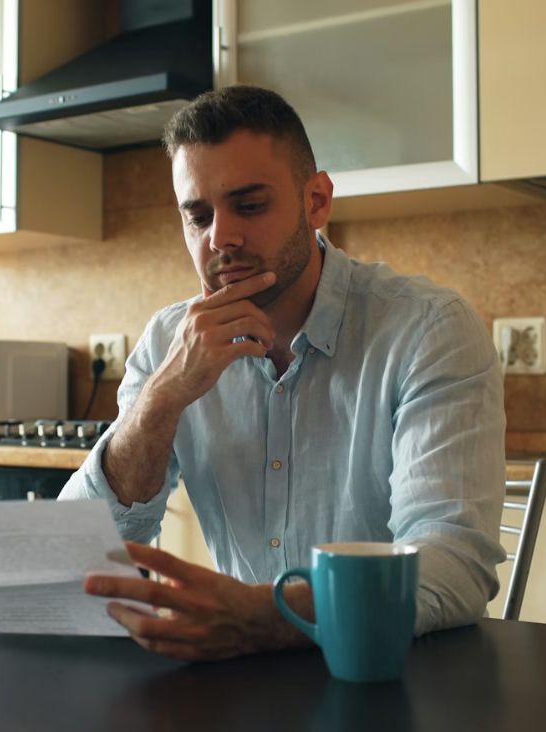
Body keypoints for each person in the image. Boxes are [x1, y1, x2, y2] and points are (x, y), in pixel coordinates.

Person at [58, 85, 505, 661]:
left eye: (249, 205)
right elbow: (75, 554)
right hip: (239, 682)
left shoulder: (427, 330)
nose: (221, 238)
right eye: (198, 216)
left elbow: (451, 565)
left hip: (395, 677)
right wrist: (160, 400)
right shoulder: (170, 343)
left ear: (316, 200)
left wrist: (262, 618)